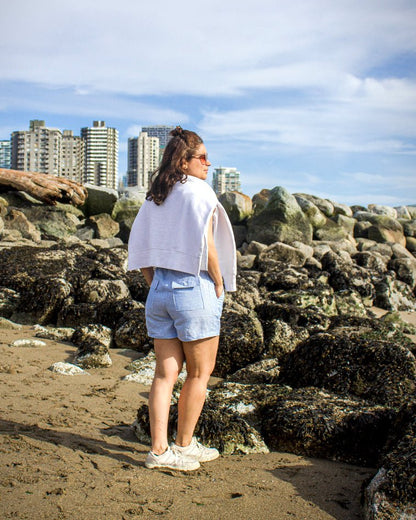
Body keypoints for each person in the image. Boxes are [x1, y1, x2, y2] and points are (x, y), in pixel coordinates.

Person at [128, 126, 237, 471]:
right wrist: (218, 283)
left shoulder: (156, 195)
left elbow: (139, 248)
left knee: (164, 375)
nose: (208, 163)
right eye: (202, 157)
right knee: (199, 374)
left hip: (160, 289)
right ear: (184, 161)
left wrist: (154, 284)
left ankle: (158, 452)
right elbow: (207, 245)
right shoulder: (198, 191)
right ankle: (184, 445)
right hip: (194, 287)